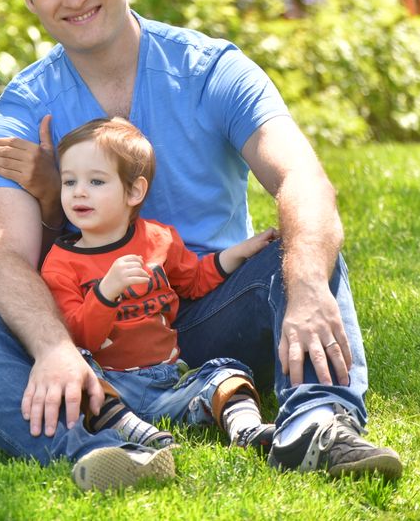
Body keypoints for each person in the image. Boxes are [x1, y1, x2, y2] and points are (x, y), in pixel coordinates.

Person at [0, 0, 403, 489]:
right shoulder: (24, 108)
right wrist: (54, 348)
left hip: (211, 306)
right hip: (94, 330)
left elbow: (302, 179)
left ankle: (315, 425)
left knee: (302, 247)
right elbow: (5, 255)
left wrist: (308, 288)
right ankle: (108, 452)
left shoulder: (211, 69)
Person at [43, 117, 279, 484]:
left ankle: (246, 429)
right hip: (112, 387)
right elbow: (78, 335)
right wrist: (106, 292)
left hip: (169, 381)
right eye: (69, 181)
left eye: (96, 181)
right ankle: (132, 430)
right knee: (78, 367)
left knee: (225, 371)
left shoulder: (157, 239)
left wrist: (238, 253)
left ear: (134, 192)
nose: (79, 193)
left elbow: (194, 281)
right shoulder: (61, 263)